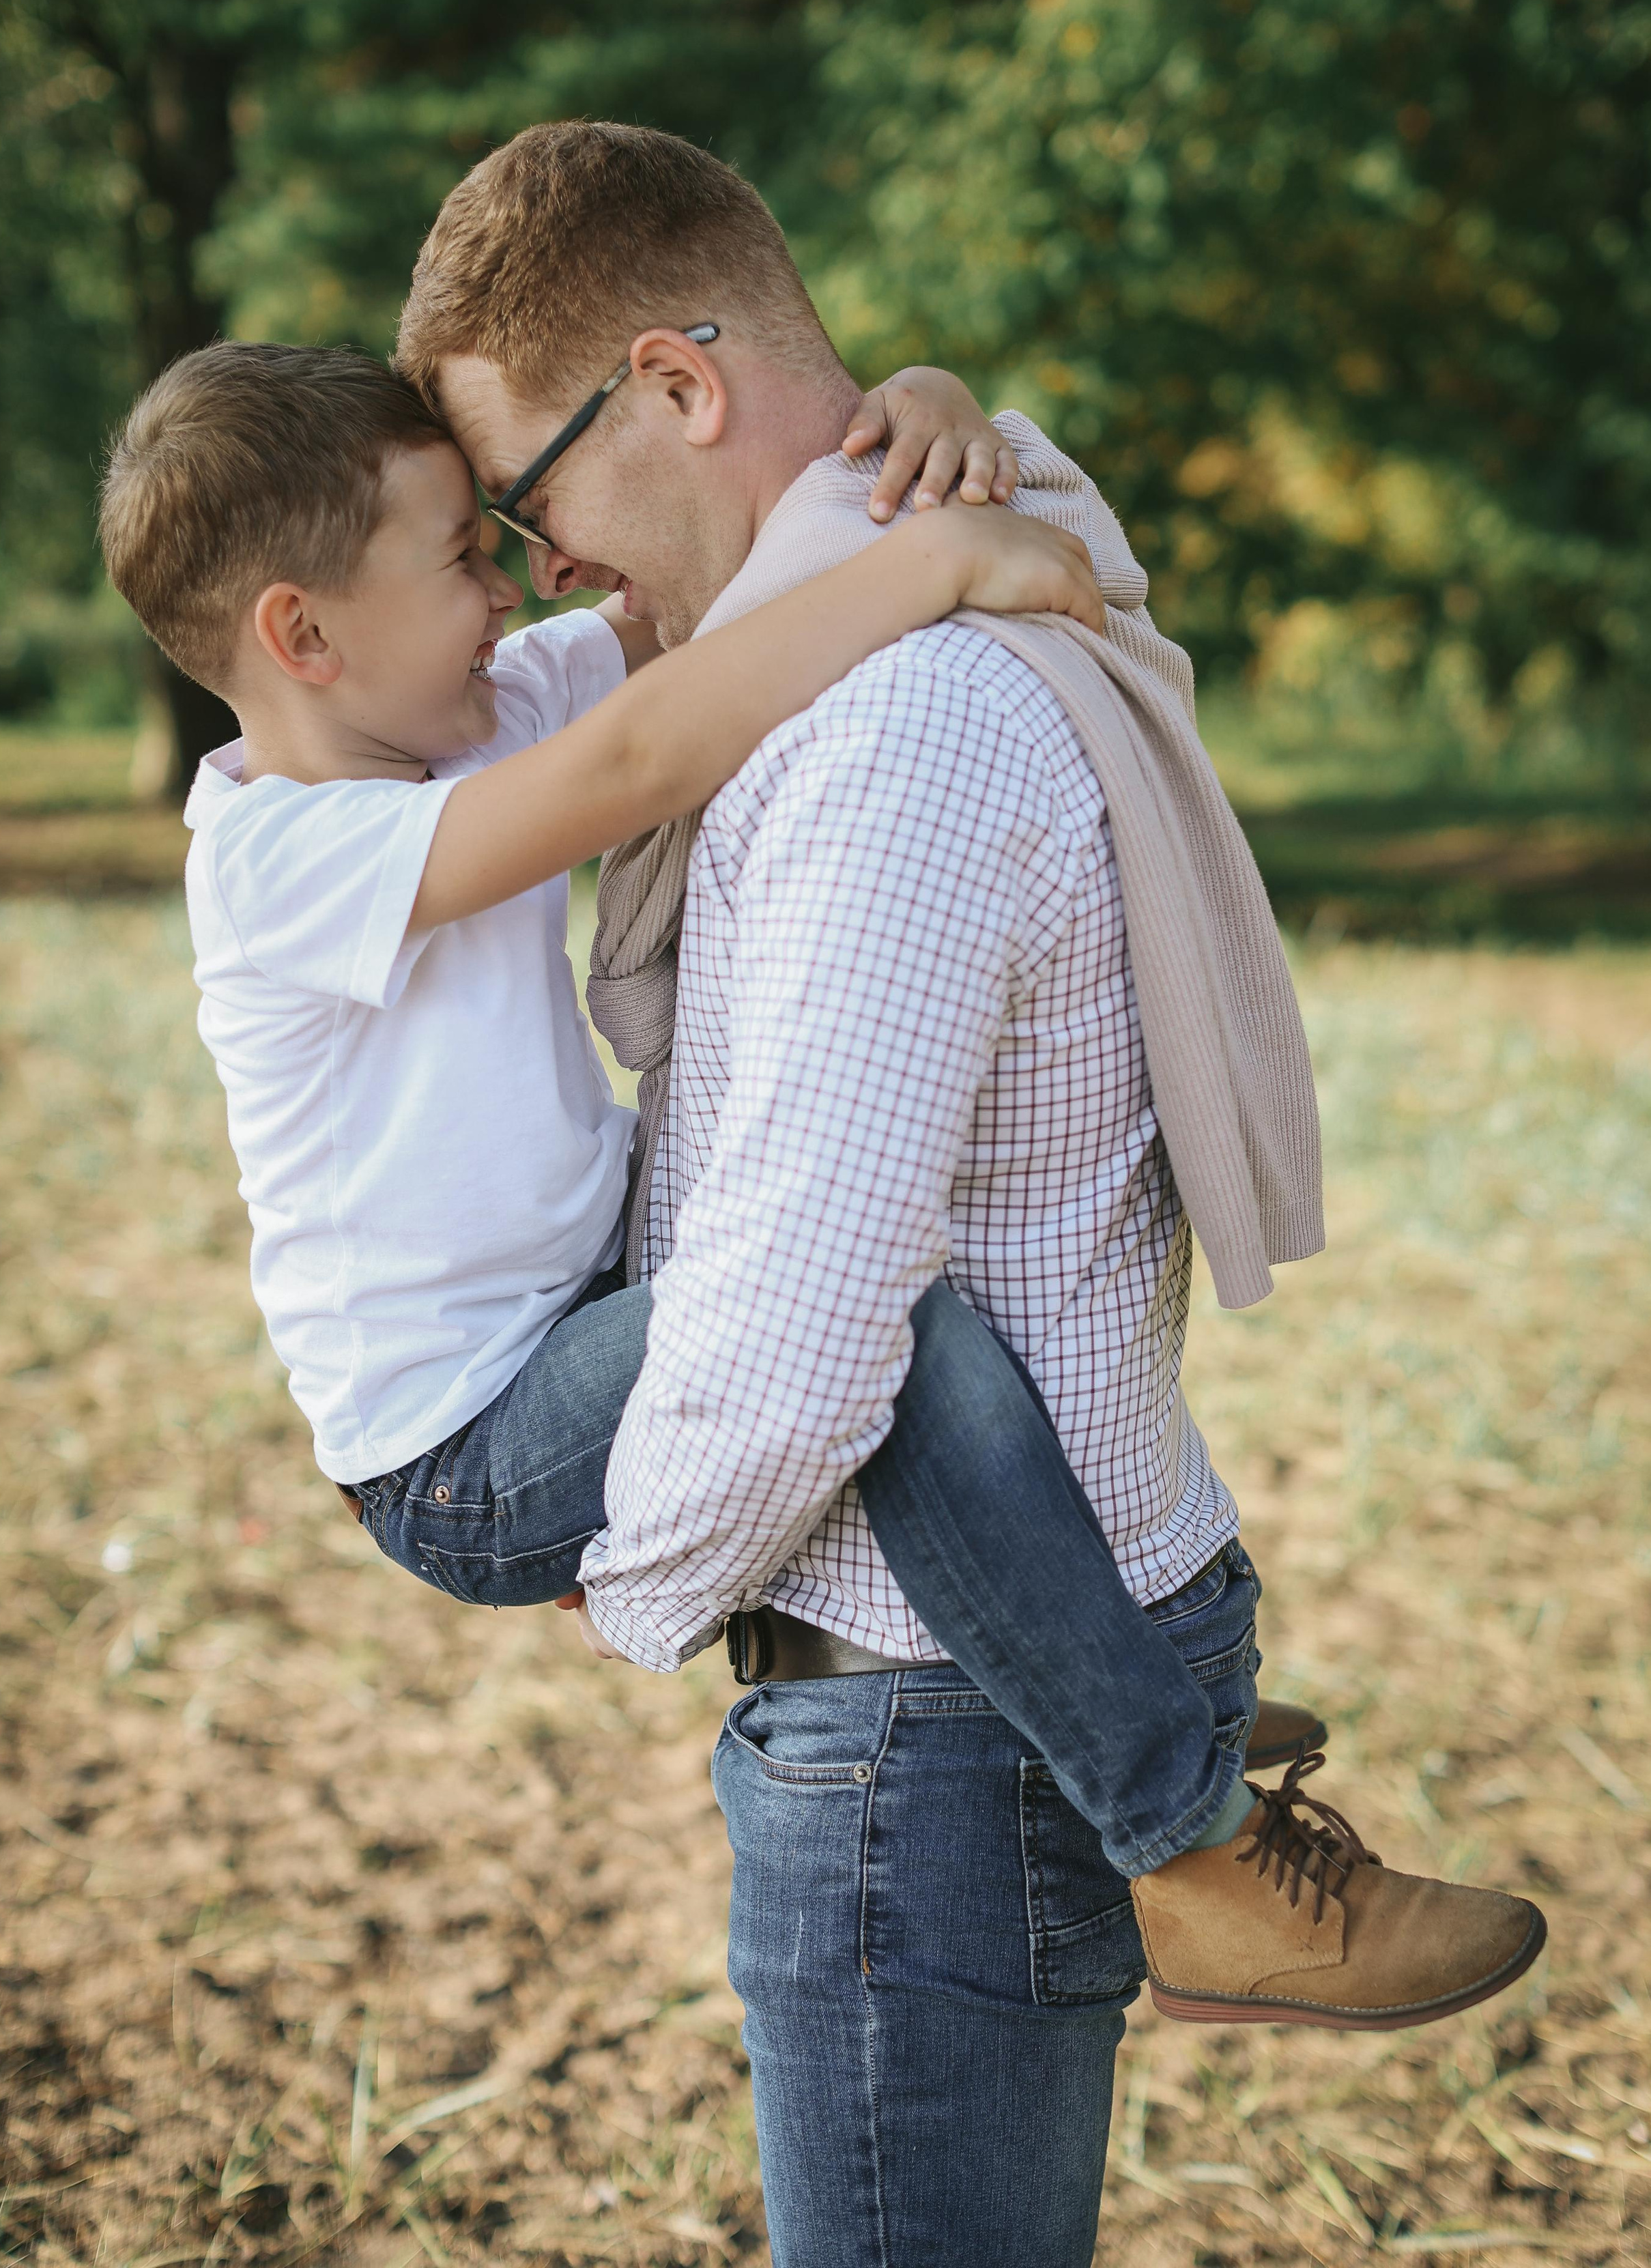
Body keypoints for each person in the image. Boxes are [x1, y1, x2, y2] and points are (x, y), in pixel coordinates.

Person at [394, 120, 1549, 2268]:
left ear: (675, 383)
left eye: (530, 499)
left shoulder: (885, 741)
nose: (546, 567)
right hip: (1008, 1645)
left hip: (923, 1720)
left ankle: (1188, 1827)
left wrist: (629, 1567)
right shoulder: (891, 604)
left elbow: (812, 1310)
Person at [98, 338, 1323, 1910]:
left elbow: (711, 607)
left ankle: (1119, 1698)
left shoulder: (464, 711)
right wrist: (939, 559)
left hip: (575, 1321)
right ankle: (1180, 1820)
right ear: (302, 633)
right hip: (462, 1442)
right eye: (467, 555)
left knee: (852, 1313)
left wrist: (925, 418)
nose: (510, 594)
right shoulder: (279, 861)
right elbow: (640, 748)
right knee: (887, 1328)